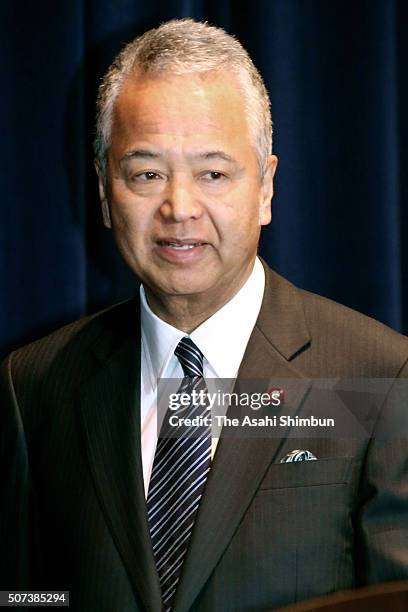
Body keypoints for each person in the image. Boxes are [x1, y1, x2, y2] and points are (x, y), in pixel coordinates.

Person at [1, 18, 408, 612]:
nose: (179, 207)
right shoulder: (33, 386)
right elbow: (25, 596)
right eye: (146, 174)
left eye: (212, 173)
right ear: (104, 191)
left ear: (266, 186)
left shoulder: (380, 377)